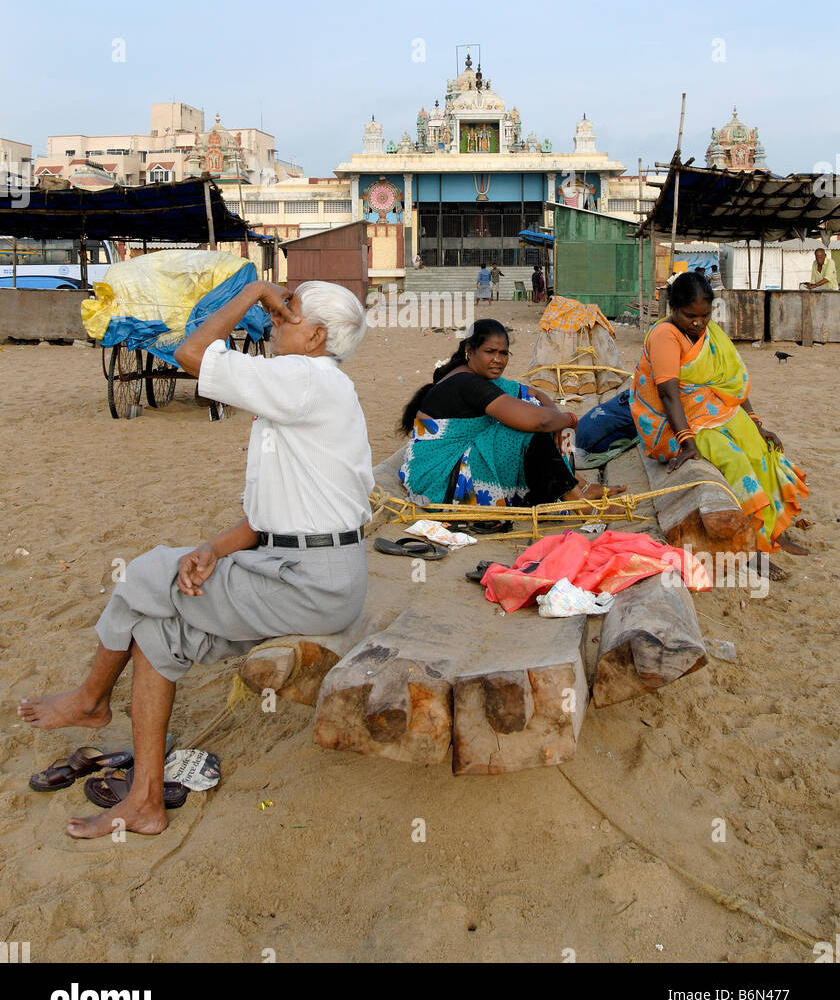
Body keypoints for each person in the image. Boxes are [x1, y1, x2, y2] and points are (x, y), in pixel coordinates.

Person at [18, 280, 373, 839]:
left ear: (317, 336)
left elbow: (190, 352)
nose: (276, 319)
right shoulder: (300, 389)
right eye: (277, 308)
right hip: (296, 569)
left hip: (310, 583)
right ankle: (145, 802)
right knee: (158, 634)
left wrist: (256, 288)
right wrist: (210, 549)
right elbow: (267, 522)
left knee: (146, 571)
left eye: (288, 312)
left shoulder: (306, 378)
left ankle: (90, 700)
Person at [630, 271, 808, 556]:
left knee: (761, 449)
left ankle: (774, 531)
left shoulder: (708, 332)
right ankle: (751, 545)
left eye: (705, 314)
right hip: (674, 423)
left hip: (712, 409)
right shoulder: (666, 335)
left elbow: (730, 381)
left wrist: (755, 423)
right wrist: (687, 443)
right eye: (690, 316)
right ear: (673, 309)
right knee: (735, 461)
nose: (699, 323)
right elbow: (667, 394)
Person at [399, 319, 624, 507]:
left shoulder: (474, 375)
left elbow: (533, 393)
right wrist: (569, 420)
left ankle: (579, 486)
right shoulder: (467, 383)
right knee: (527, 429)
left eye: (503, 353)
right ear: (469, 351)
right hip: (441, 479)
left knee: (536, 419)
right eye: (490, 352)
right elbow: (540, 422)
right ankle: (577, 500)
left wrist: (554, 417)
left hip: (453, 466)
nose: (498, 359)